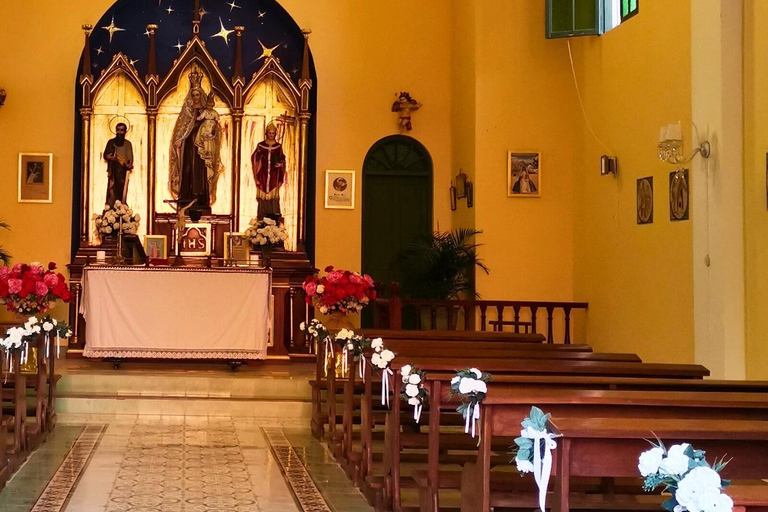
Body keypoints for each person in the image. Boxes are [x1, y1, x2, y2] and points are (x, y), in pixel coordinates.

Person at [169, 71, 223, 214]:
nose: (195, 97)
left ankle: (201, 199)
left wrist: (212, 133)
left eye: (197, 94)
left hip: (202, 147)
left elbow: (216, 129)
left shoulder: (207, 112)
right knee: (188, 169)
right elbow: (182, 129)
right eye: (193, 95)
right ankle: (186, 197)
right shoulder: (187, 111)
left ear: (201, 95)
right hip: (189, 147)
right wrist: (179, 140)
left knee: (200, 171)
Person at [251, 121, 287, 220]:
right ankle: (261, 219)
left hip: (274, 175)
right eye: (269, 133)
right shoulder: (261, 145)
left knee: (273, 198)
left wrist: (281, 164)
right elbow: (254, 157)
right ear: (266, 133)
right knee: (263, 198)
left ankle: (274, 220)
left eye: (273, 133)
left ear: (275, 134)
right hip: (263, 174)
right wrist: (259, 156)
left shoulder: (278, 146)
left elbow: (282, 158)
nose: (271, 135)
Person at [104, 122, 134, 207]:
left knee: (121, 187)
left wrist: (127, 163)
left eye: (122, 130)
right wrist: (110, 157)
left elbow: (130, 158)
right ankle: (111, 206)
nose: (120, 132)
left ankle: (121, 205)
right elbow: (106, 154)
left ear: (125, 132)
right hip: (113, 169)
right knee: (112, 188)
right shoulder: (111, 142)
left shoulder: (127, 144)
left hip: (122, 170)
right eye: (118, 130)